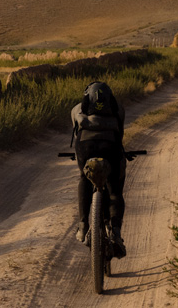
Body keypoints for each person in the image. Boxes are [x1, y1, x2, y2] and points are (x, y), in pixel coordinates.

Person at [70, 80, 128, 258]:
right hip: (111, 145)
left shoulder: (76, 109)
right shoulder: (118, 109)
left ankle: (82, 225)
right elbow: (120, 134)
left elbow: (75, 132)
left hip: (85, 147)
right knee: (115, 188)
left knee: (84, 177)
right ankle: (116, 232)